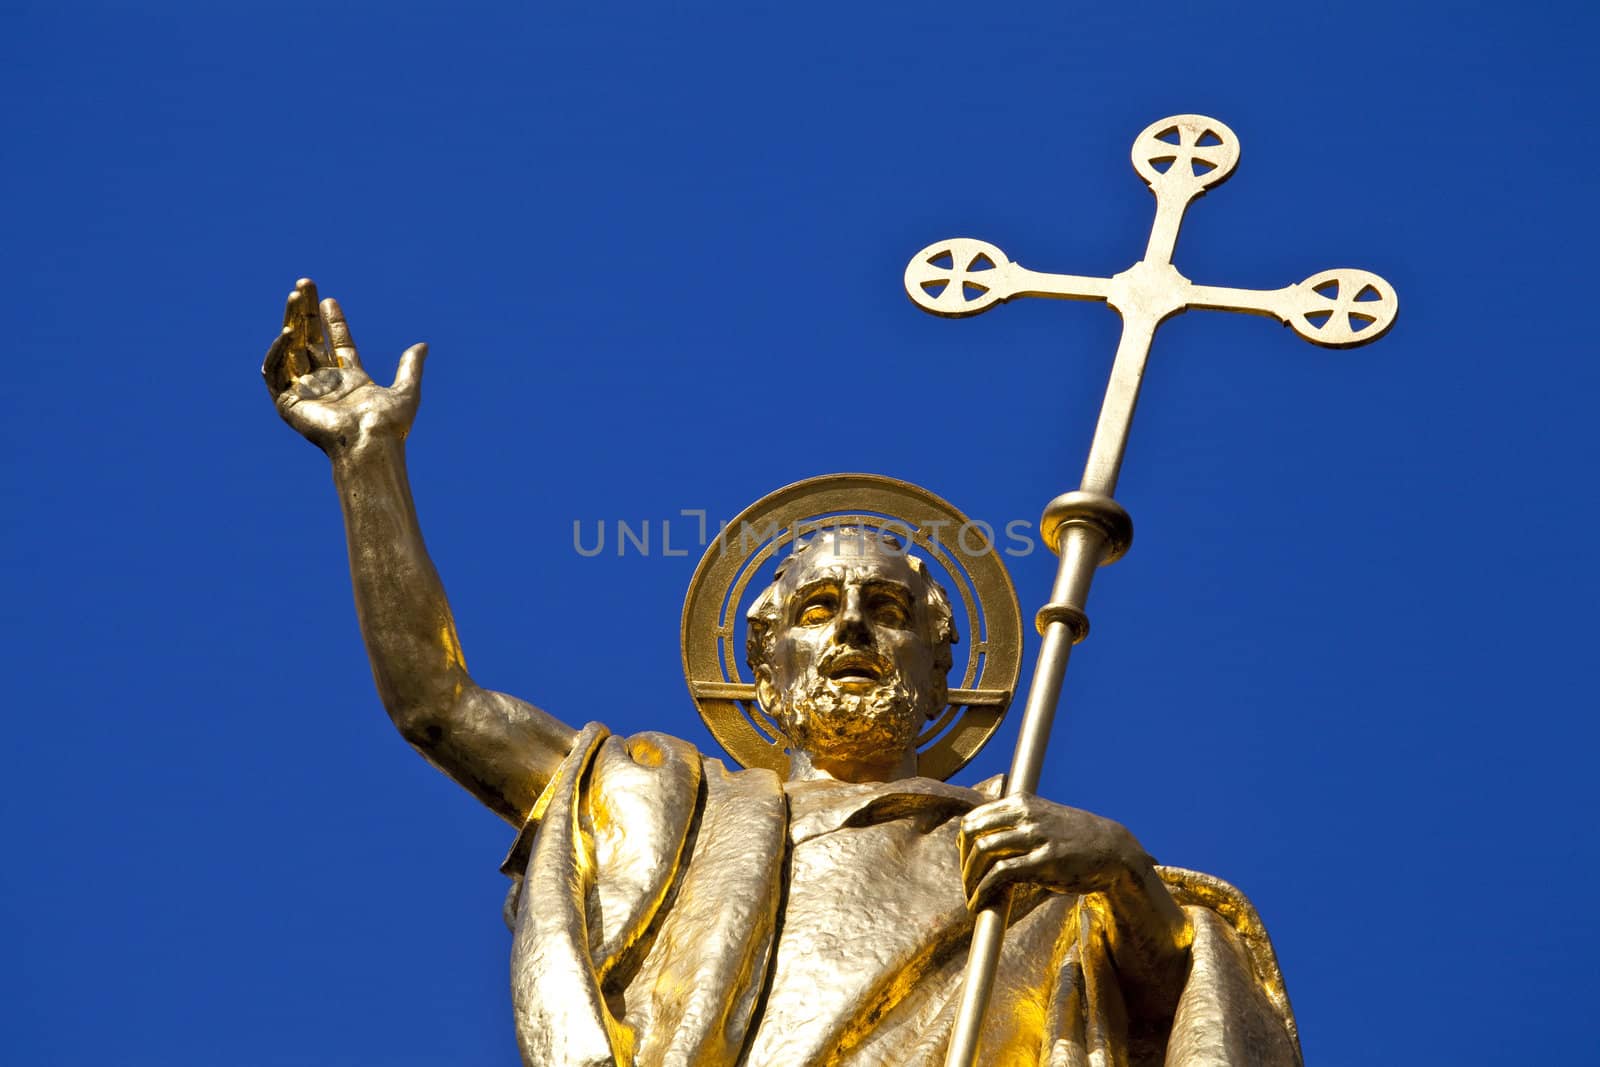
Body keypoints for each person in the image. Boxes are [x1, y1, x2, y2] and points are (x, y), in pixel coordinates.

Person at [264, 279, 1303, 1066]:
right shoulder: (665, 801)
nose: (853, 626)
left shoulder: (1032, 860)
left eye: (888, 611)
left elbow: (1197, 1022)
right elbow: (437, 704)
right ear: (763, 665)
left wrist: (1122, 873)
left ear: (945, 666)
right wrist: (368, 463)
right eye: (817, 609)